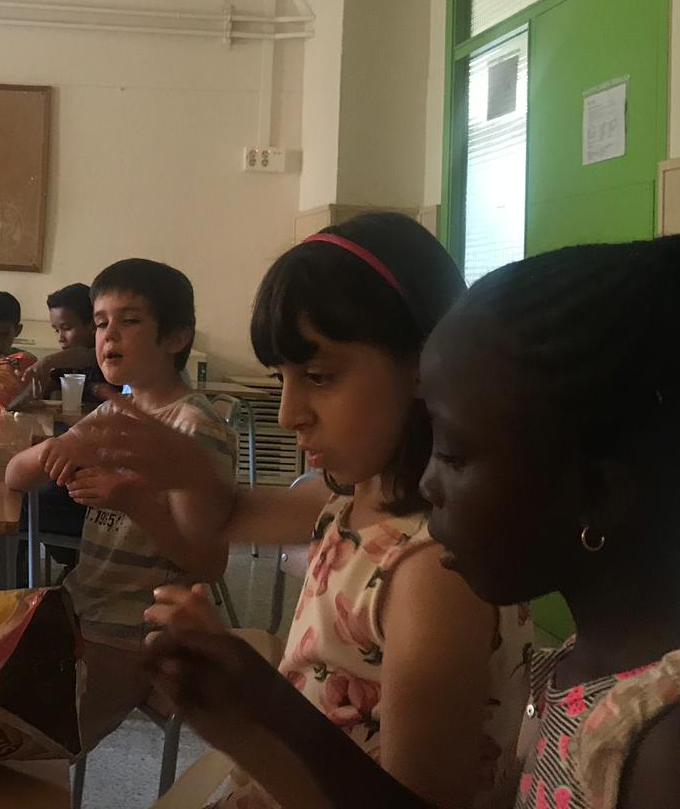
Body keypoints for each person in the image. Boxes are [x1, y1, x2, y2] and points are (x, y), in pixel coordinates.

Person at [146, 235, 680, 809]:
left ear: (596, 493)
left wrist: (268, 717)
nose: (428, 483)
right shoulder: (583, 665)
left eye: (451, 453)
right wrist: (258, 711)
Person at [84, 214, 529, 808]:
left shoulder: (432, 570)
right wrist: (188, 470)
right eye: (282, 378)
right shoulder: (349, 493)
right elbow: (223, 519)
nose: (288, 413)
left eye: (318, 376)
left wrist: (254, 715)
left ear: (426, 366)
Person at [5, 258, 236, 746]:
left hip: (138, 629)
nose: (109, 335)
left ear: (176, 337)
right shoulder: (114, 413)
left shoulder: (196, 428)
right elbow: (15, 476)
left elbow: (208, 562)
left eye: (129, 320)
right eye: (101, 322)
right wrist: (57, 448)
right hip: (80, 606)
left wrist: (132, 499)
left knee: (25, 743)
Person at [27, 283, 104, 402]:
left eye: (66, 328)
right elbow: (48, 388)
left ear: (92, 326)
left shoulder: (106, 356)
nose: (60, 338)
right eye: (56, 330)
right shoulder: (66, 365)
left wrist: (47, 361)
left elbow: (89, 356)